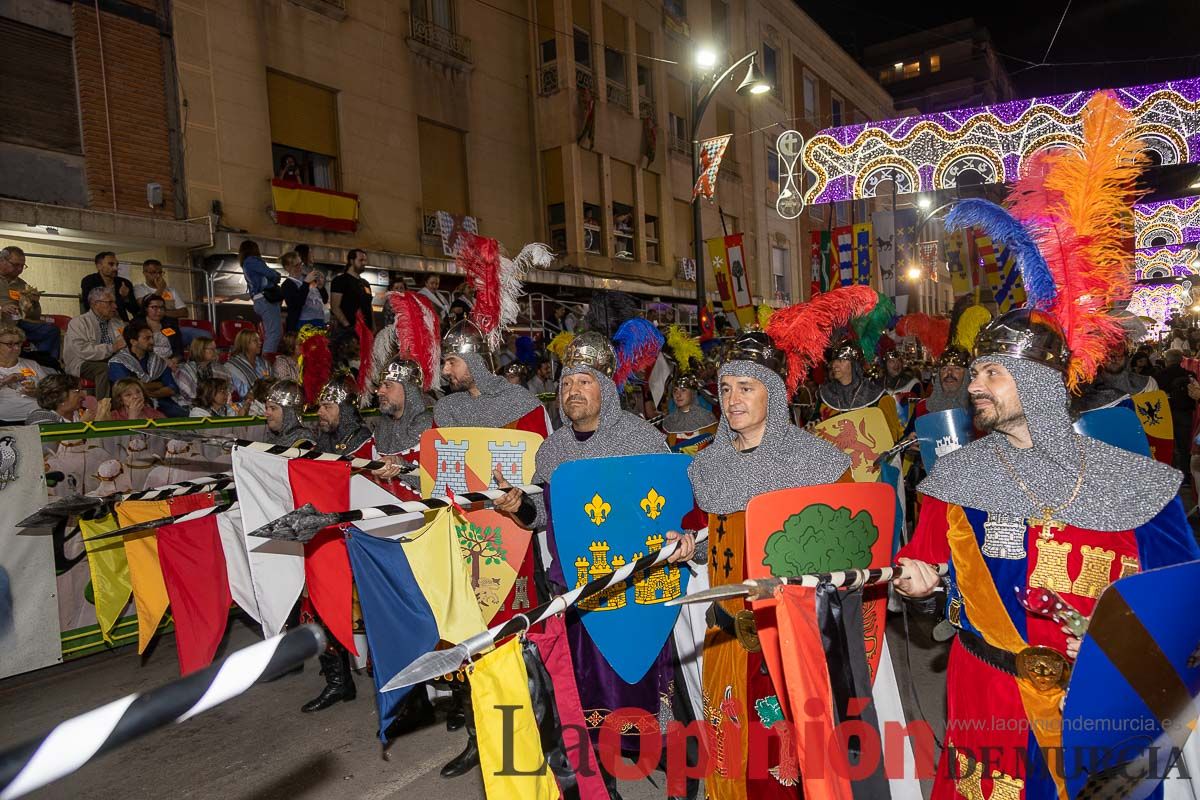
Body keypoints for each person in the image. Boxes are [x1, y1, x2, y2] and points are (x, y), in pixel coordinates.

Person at [895, 308, 1200, 800]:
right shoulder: (956, 479)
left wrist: (1124, 645)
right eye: (975, 372)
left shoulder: (1135, 484)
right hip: (988, 697)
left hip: (1100, 702)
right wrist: (917, 583)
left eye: (994, 372)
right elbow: (925, 566)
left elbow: (1184, 606)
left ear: (1040, 382)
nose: (976, 384)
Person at [489, 331, 698, 791]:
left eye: (584, 381)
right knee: (586, 700)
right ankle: (603, 786)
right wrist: (516, 505)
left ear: (606, 387)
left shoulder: (641, 437)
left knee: (652, 693)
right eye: (566, 384)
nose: (573, 392)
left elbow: (672, 504)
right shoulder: (553, 450)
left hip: (637, 592)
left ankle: (681, 778)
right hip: (577, 593)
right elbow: (543, 514)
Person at [688, 329, 851, 798]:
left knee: (782, 763)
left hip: (788, 637)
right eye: (725, 387)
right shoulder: (707, 465)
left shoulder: (818, 464)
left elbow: (843, 557)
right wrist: (689, 545)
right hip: (725, 633)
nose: (732, 399)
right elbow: (712, 539)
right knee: (730, 748)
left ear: (774, 392)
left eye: (746, 387)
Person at [434, 320, 547, 432]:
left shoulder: (521, 403)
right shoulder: (446, 408)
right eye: (444, 363)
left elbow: (538, 447)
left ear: (475, 363)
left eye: (452, 362)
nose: (445, 371)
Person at [370, 358, 432, 496]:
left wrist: (402, 466)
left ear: (408, 388)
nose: (379, 392)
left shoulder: (432, 430)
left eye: (387, 385)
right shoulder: (380, 429)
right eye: (380, 386)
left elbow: (439, 481)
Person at [107, 322, 186, 418]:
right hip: (129, 407)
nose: (152, 341)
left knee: (183, 415)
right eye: (147, 338)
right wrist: (159, 384)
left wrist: (148, 393)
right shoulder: (118, 362)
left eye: (152, 337)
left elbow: (172, 388)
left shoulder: (158, 360)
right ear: (133, 341)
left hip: (160, 401)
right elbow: (126, 389)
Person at [0, 245, 61, 362]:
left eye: (22, 266)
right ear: (2, 260)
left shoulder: (22, 285)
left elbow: (34, 316)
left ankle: (46, 364)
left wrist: (34, 302)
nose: (19, 269)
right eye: (15, 264)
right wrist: (2, 307)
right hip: (2, 321)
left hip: (18, 322)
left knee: (51, 331)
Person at [64, 286, 127, 398]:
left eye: (114, 302)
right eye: (110, 303)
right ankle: (103, 406)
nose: (115, 306)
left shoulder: (117, 323)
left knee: (129, 364)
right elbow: (83, 351)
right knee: (103, 369)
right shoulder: (78, 322)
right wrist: (111, 348)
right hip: (83, 362)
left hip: (111, 359)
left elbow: (123, 345)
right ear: (95, 304)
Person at [1155, 348, 1196, 477]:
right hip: (1185, 413)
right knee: (1184, 445)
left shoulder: (1160, 375)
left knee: (1168, 444)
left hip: (1166, 413)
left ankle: (1170, 474)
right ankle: (1185, 474)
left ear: (1167, 360)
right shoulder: (1189, 374)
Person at [239, 240, 282, 355]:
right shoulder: (252, 261)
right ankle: (267, 363)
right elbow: (271, 273)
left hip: (260, 300)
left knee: (273, 333)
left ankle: (267, 361)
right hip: (265, 299)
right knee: (274, 333)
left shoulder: (246, 264)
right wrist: (277, 276)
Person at [0, 323, 47, 422]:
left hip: (38, 418)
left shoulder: (32, 365)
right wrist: (5, 381)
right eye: (10, 344)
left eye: (18, 343)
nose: (16, 348)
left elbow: (52, 392)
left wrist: (36, 393)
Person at [911, 345, 972, 421]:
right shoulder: (922, 408)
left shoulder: (980, 409)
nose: (949, 373)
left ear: (967, 375)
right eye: (944, 369)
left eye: (957, 368)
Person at [81, 252, 139, 321]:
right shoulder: (89, 281)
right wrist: (121, 298)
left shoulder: (124, 283)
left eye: (117, 264)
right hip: (96, 321)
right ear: (99, 266)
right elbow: (89, 305)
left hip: (120, 322)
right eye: (111, 264)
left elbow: (134, 310)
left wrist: (126, 298)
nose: (115, 268)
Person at [27, 373, 104, 425]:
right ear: (57, 396)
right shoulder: (40, 417)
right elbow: (52, 446)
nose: (83, 395)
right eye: (77, 391)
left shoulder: (80, 414)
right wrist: (83, 425)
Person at [330, 248, 374, 333]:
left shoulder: (366, 283)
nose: (364, 263)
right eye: (361, 260)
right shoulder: (340, 280)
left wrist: (373, 327)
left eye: (365, 260)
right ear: (351, 261)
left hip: (366, 330)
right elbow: (335, 307)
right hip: (348, 331)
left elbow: (369, 305)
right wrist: (348, 326)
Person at [175, 336, 227, 407]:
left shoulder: (218, 369)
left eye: (215, 348)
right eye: (211, 349)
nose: (215, 352)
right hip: (189, 407)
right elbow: (190, 396)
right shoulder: (185, 370)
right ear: (200, 350)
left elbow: (226, 389)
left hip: (215, 407)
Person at [281, 250, 325, 332]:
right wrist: (306, 283)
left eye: (301, 263)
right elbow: (298, 303)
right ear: (287, 268)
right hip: (302, 324)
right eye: (296, 265)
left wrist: (321, 287)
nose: (300, 267)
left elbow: (325, 299)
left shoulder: (308, 278)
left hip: (319, 319)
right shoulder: (287, 285)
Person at [261, 380, 314, 448]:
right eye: (266, 408)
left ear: (289, 412)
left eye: (273, 408)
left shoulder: (303, 441)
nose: (266, 414)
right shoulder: (274, 439)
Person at [137, 294, 183, 363]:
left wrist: (174, 360)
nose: (159, 311)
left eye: (162, 308)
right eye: (154, 307)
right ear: (146, 308)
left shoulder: (171, 324)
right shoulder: (137, 325)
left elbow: (179, 349)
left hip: (172, 361)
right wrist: (163, 362)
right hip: (148, 363)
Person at [226, 330, 271, 401]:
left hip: (267, 400)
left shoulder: (264, 363)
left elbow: (272, 383)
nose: (260, 343)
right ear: (245, 344)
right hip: (245, 404)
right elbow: (241, 393)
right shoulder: (232, 366)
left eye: (259, 340)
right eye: (255, 341)